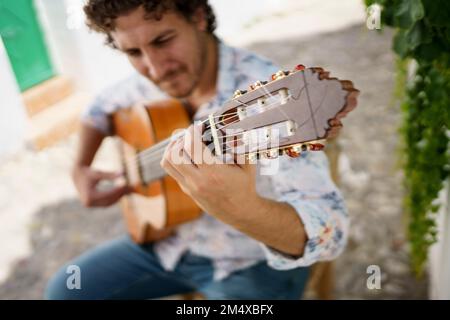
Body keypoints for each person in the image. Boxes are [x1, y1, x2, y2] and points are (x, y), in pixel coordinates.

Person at [45, 0, 349, 300]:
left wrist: (245, 209)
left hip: (250, 264)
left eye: (163, 40)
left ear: (199, 16)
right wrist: (80, 166)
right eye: (134, 52)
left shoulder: (267, 97)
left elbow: (330, 231)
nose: (155, 68)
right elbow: (97, 110)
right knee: (64, 291)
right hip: (169, 246)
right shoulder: (144, 85)